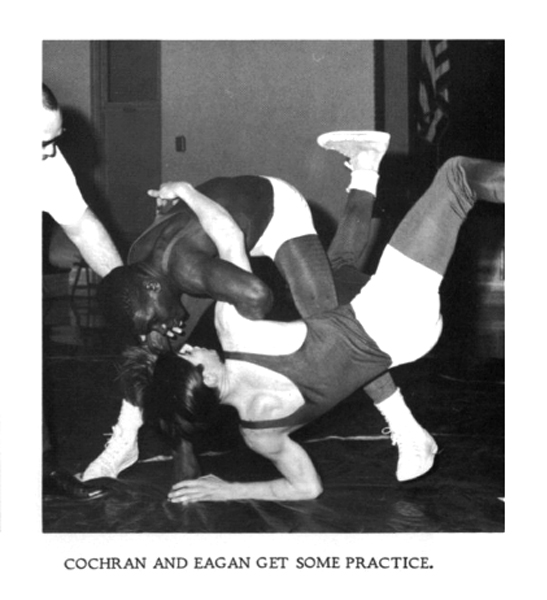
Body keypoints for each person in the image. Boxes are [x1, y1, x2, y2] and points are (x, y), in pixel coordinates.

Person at [143, 133, 504, 503]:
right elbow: (228, 233)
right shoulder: (234, 330)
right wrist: (186, 191)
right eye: (187, 355)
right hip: (394, 314)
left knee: (334, 272)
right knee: (456, 177)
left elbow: (306, 487)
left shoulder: (259, 435)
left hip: (404, 346)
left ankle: (365, 164)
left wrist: (228, 491)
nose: (189, 347)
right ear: (205, 377)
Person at [80, 132, 437, 486]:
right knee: (149, 345)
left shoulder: (191, 270)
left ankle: (408, 428)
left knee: (327, 317)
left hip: (276, 213)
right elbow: (177, 244)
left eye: (157, 318)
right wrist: (157, 332)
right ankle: (127, 438)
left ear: (152, 286)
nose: (164, 324)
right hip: (217, 224)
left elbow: (257, 295)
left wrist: (232, 323)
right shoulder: (137, 263)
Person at [42, 83, 123, 499]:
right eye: (39, 144)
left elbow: (81, 226)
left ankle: (40, 469)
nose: (49, 153)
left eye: (53, 140)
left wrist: (127, 291)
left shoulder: (46, 161)